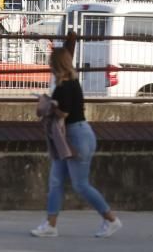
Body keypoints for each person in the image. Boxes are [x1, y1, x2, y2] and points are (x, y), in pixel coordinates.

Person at [31, 48, 123, 239]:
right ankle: (50, 224)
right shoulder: (71, 83)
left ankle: (111, 219)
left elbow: (64, 112)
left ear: (56, 65)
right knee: (55, 181)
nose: (49, 66)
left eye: (50, 63)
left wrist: (46, 104)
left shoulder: (64, 86)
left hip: (76, 136)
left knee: (80, 184)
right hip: (74, 135)